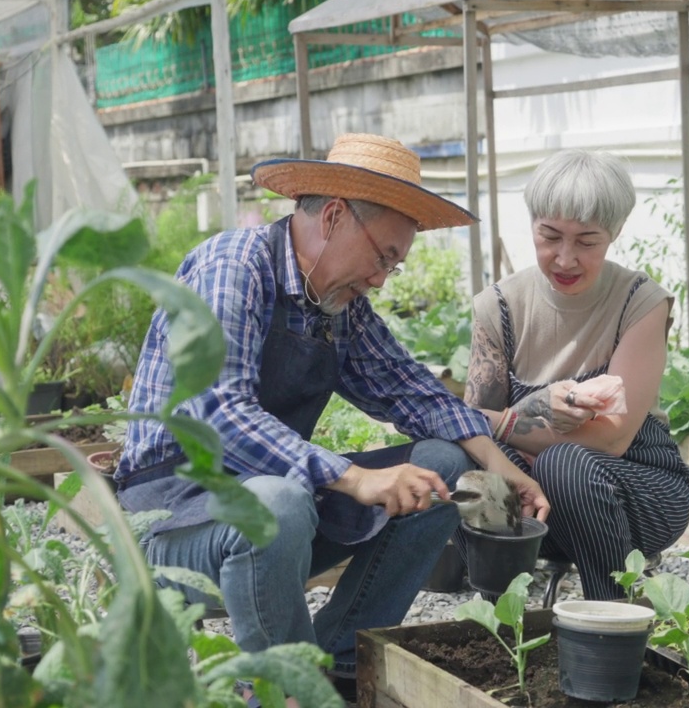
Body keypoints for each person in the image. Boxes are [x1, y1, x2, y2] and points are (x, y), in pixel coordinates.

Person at [115, 133, 549, 698]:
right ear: (336, 216)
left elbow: (415, 393)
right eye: (383, 257)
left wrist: (503, 468)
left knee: (442, 466)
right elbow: (220, 410)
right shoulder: (234, 266)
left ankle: (345, 661)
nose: (379, 279)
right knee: (279, 502)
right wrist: (356, 478)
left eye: (392, 266)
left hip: (273, 510)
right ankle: (287, 688)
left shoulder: (337, 304)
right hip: (169, 521)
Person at [463, 148, 689, 600]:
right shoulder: (499, 307)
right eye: (550, 236)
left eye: (587, 242)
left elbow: (612, 439)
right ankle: (498, 621)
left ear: (615, 232)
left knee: (563, 462)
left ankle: (610, 616)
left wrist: (513, 426)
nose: (565, 259)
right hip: (537, 507)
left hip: (639, 490)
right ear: (532, 223)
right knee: (460, 462)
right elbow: (470, 426)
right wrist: (522, 418)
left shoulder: (640, 302)